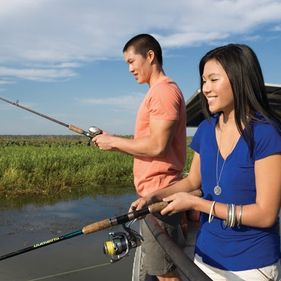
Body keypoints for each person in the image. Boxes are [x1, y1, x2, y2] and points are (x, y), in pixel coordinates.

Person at [131, 43, 281, 280]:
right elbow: (192, 180)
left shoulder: (266, 134)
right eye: (203, 81)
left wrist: (197, 204)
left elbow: (265, 214)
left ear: (240, 79)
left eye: (213, 79)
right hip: (205, 258)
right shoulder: (206, 129)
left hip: (252, 265)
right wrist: (154, 197)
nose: (205, 89)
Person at [93, 34, 187, 281]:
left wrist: (113, 141)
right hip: (152, 196)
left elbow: (157, 146)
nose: (130, 68)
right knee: (162, 269)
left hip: (159, 196)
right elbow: (150, 145)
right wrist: (112, 143)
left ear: (150, 56)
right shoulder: (158, 92)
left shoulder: (163, 93)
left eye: (131, 61)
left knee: (166, 273)